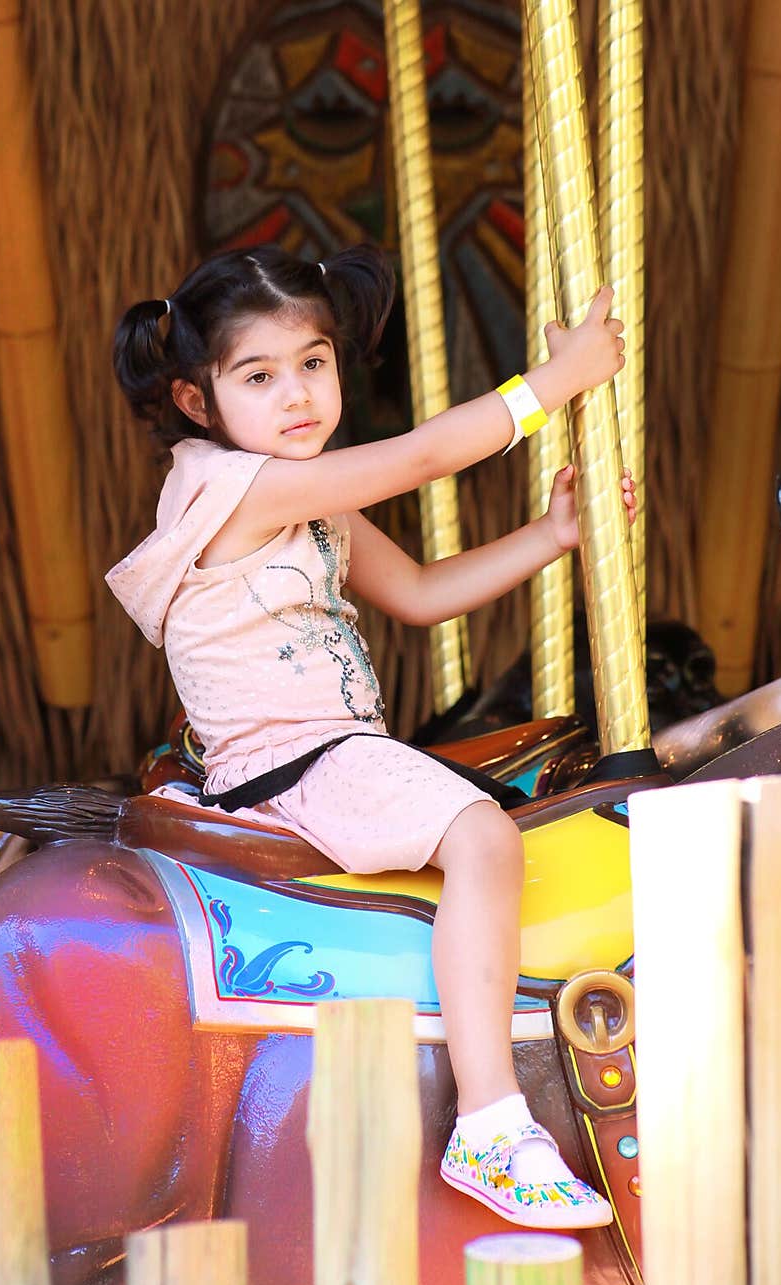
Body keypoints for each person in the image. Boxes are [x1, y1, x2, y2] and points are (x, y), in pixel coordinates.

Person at [107, 243, 634, 1230]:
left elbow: (422, 595)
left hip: (335, 753)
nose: (298, 393)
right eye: (257, 376)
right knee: (483, 834)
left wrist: (551, 538)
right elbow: (423, 455)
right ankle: (488, 1120)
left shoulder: (302, 492)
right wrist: (550, 387)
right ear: (193, 399)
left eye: (314, 362)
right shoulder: (235, 486)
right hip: (293, 762)